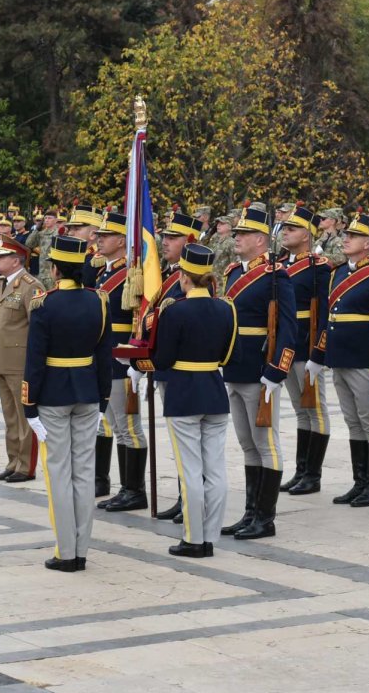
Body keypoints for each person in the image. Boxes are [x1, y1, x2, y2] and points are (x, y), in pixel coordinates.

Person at [137, 243, 237, 557]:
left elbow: (163, 360)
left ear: (183, 277)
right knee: (215, 469)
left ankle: (194, 539)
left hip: (183, 393)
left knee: (191, 470)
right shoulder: (226, 308)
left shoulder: (174, 311)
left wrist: (138, 362)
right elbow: (226, 355)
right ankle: (210, 536)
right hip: (214, 391)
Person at [23, 234, 113, 572]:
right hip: (88, 392)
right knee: (84, 471)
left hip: (53, 395)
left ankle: (66, 551)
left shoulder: (44, 304)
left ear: (56, 269)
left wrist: (29, 404)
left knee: (59, 472)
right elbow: (104, 356)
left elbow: (34, 360)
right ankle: (82, 549)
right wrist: (103, 397)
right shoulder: (98, 301)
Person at [308, 215, 369, 508]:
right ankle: (360, 482)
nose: (346, 239)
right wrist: (318, 355)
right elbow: (327, 318)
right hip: (339, 358)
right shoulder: (337, 273)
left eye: (353, 236)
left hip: (363, 359)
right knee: (353, 422)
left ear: (368, 243)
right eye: (345, 234)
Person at [219, 206, 298, 539]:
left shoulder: (276, 276)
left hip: (260, 370)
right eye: (236, 233)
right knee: (247, 443)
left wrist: (276, 370)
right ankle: (250, 513)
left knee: (266, 444)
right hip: (234, 367)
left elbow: (288, 328)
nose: (236, 238)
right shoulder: (233, 273)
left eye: (243, 233)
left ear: (261, 239)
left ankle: (265, 518)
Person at [92, 211, 149, 511]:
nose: (99, 240)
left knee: (128, 426)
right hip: (105, 357)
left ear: (121, 241)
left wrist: (135, 360)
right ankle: (125, 488)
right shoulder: (104, 273)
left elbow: (140, 318)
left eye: (106, 236)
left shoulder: (131, 274)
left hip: (122, 360)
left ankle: (134, 490)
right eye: (99, 235)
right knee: (113, 424)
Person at [0, 236, 45, 483]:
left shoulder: (31, 286)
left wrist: (35, 363)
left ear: (16, 260)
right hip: (0, 360)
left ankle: (26, 467)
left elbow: (38, 328)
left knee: (24, 416)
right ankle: (13, 461)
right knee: (10, 416)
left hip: (20, 362)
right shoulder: (0, 283)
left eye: (1, 257)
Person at [276, 205, 332, 496]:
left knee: (315, 410)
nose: (285, 232)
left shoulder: (318, 268)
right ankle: (301, 471)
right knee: (301, 410)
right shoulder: (279, 265)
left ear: (307, 235)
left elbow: (324, 313)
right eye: (285, 228)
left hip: (306, 344)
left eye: (292, 228)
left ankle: (313, 474)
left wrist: (318, 352)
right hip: (286, 345)